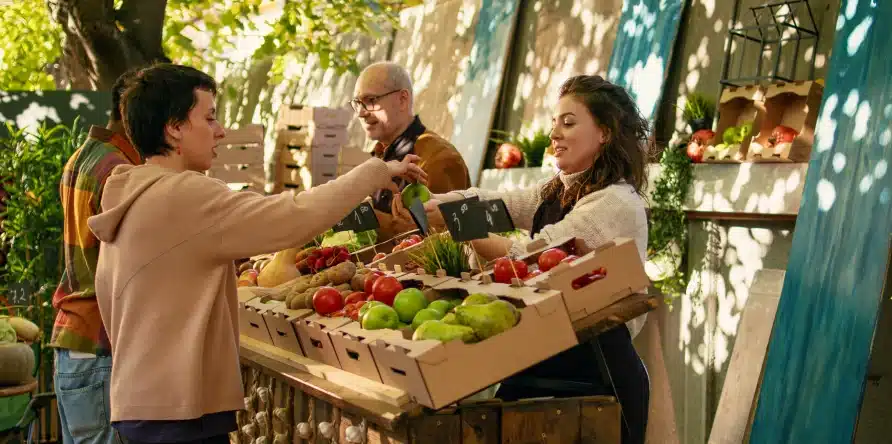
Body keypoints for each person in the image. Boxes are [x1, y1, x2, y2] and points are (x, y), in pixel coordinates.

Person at [87, 63, 426, 444]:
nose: (221, 131)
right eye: (210, 117)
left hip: (142, 402)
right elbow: (292, 216)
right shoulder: (183, 196)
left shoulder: (130, 193)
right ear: (175, 127)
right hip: (178, 413)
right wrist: (373, 173)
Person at [392, 75, 650, 443]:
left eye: (569, 122)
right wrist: (437, 205)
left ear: (605, 133)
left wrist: (466, 227)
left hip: (597, 378)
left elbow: (536, 255)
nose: (555, 134)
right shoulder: (557, 190)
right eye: (554, 123)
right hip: (548, 356)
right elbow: (499, 206)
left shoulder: (614, 203)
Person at [50, 68, 143, 444]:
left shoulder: (83, 156)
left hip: (74, 342)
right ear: (127, 111)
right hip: (98, 342)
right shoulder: (117, 169)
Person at [352, 61, 471, 238]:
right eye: (357, 103)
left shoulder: (440, 158)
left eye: (371, 101)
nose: (361, 113)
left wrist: (358, 216)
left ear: (402, 99)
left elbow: (445, 240)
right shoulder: (381, 152)